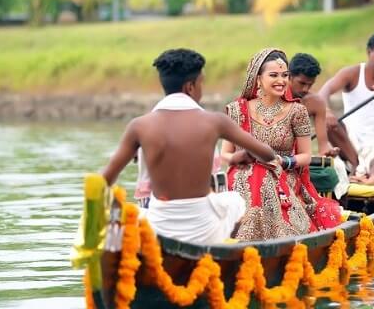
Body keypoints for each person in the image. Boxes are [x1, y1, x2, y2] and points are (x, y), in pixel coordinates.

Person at [101, 48, 276, 244]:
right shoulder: (215, 122)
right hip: (205, 231)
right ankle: (222, 255)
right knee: (236, 201)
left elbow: (104, 179)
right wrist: (246, 154)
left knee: (120, 212)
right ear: (190, 87)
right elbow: (267, 154)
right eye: (201, 83)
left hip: (159, 228)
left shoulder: (139, 126)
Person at [221, 48, 341, 241]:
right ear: (258, 78)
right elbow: (225, 154)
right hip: (241, 174)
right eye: (274, 75)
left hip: (283, 174)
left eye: (285, 75)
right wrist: (236, 158)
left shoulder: (297, 111)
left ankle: (255, 240)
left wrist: (282, 161)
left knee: (263, 176)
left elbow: (306, 157)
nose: (281, 80)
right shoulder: (237, 110)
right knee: (253, 175)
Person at [318, 31, 374, 186]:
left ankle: (371, 180)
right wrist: (326, 112)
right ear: (369, 51)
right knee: (328, 124)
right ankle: (359, 171)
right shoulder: (351, 73)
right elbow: (323, 92)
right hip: (349, 139)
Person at [288, 53, 349, 198]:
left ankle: (339, 213)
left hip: (299, 163)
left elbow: (323, 147)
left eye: (310, 85)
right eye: (302, 83)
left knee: (332, 173)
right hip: (274, 161)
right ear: (288, 76)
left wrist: (329, 151)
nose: (305, 89)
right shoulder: (273, 98)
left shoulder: (316, 103)